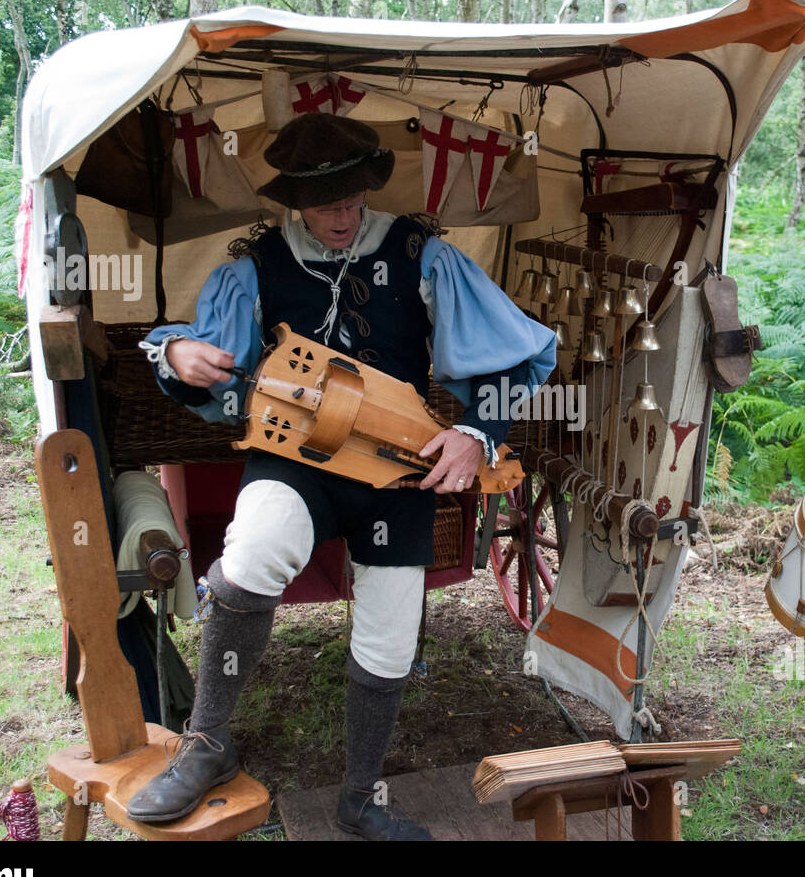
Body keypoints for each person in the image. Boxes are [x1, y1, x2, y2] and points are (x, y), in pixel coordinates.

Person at [128, 113, 555, 839]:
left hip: (398, 469)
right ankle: (206, 744)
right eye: (327, 202)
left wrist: (476, 435)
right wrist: (177, 356)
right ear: (294, 198)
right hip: (296, 462)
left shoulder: (421, 253)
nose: (344, 216)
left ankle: (361, 798)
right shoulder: (254, 268)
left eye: (354, 199)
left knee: (389, 633)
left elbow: (514, 352)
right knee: (254, 552)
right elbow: (216, 375)